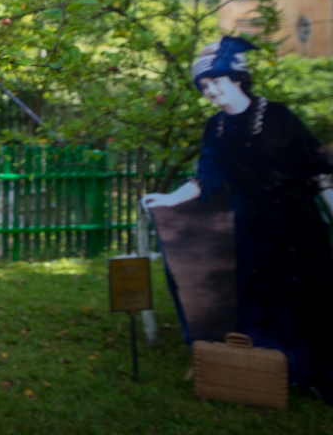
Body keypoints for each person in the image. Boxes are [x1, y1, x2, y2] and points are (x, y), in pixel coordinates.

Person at [143, 35, 333, 401]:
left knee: (312, 297)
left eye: (215, 81)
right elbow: (206, 179)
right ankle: (274, 374)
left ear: (236, 78)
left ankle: (320, 376)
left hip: (299, 226)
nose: (210, 91)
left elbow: (319, 169)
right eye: (203, 86)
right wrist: (169, 198)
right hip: (253, 230)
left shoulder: (278, 116)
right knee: (262, 301)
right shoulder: (215, 129)